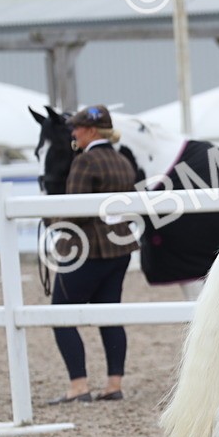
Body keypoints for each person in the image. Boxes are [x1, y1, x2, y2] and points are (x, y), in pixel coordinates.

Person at [45, 105, 138, 404]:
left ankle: (78, 386)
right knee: (110, 313)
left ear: (92, 131)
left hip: (89, 251)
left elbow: (77, 212)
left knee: (61, 313)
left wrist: (49, 219)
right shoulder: (123, 160)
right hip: (119, 249)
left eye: (78, 127)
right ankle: (113, 383)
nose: (73, 132)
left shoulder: (85, 163)